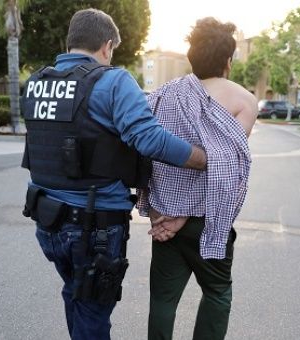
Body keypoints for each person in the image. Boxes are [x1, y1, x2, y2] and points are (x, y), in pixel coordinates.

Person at [20, 8, 208, 340]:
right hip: (94, 227)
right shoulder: (113, 80)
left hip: (47, 222)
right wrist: (202, 159)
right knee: (93, 308)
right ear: (107, 46)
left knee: (75, 292)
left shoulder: (37, 82)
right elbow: (147, 137)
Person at [136, 17, 258, 340]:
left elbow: (142, 151)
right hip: (208, 219)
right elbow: (225, 170)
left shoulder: (162, 95)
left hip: (164, 218)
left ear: (192, 56)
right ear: (228, 61)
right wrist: (185, 216)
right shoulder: (244, 102)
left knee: (162, 300)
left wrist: (161, 211)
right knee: (217, 293)